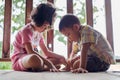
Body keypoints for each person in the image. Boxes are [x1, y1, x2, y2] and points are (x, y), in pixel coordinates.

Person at [11, 2, 67, 72]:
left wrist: (62, 57)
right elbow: (30, 52)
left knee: (59, 60)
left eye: (47, 26)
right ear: (38, 21)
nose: (46, 29)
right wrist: (49, 63)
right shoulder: (26, 30)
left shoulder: (39, 34)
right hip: (21, 60)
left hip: (35, 60)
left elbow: (46, 52)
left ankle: (42, 67)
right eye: (44, 26)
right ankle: (44, 67)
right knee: (35, 59)